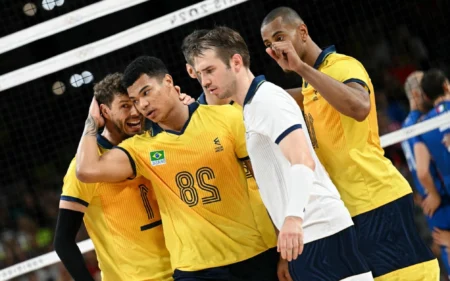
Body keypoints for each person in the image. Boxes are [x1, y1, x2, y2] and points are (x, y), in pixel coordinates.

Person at [260, 6, 439, 280]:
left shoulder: (342, 65)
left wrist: (301, 68)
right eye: (268, 44)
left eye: (279, 37)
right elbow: (289, 97)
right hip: (347, 207)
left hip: (375, 197)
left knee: (408, 274)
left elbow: (360, 106)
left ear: (303, 32)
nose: (275, 48)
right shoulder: (310, 85)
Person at [184, 26, 373, 281]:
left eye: (209, 70)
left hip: (320, 230)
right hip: (307, 237)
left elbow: (303, 160)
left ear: (236, 62)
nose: (204, 81)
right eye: (199, 74)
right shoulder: (251, 107)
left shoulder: (267, 101)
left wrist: (293, 218)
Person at [75, 56, 279, 281]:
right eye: (134, 100)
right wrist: (91, 122)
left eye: (146, 92)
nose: (142, 105)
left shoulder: (225, 118)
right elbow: (86, 170)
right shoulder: (141, 148)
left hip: (254, 253)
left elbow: (268, 180)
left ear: (169, 82)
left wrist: (284, 243)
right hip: (195, 269)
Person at [54, 73, 172, 281]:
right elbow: (63, 241)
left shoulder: (152, 143)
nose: (136, 112)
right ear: (105, 111)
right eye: (125, 106)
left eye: (136, 103)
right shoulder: (83, 166)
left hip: (182, 271)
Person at [181, 30, 278, 251]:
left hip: (280, 225)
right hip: (236, 244)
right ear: (190, 70)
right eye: (201, 69)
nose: (207, 77)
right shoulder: (190, 124)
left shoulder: (254, 103)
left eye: (211, 67)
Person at [402, 71, 450, 275]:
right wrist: (432, 193)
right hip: (438, 196)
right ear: (416, 94)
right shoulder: (420, 124)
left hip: (432, 198)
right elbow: (423, 170)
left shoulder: (410, 126)